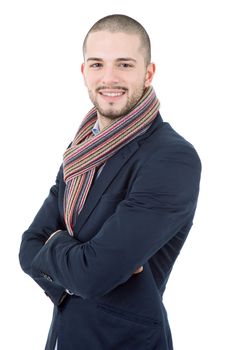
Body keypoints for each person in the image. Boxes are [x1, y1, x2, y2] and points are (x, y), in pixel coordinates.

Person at [19, 14, 201, 350]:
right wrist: (77, 261)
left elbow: (94, 274)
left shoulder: (171, 158)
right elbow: (28, 246)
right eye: (98, 64)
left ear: (148, 74)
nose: (110, 78)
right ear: (84, 72)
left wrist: (56, 243)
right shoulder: (81, 150)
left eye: (125, 65)